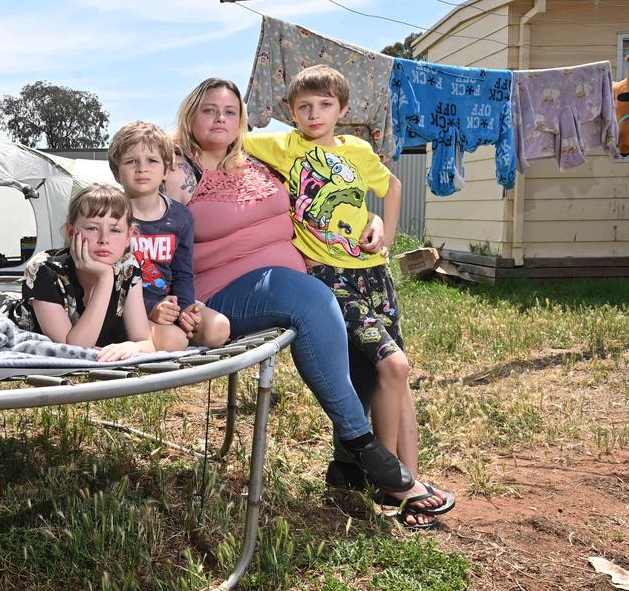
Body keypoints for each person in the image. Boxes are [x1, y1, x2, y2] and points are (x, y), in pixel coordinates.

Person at [163, 76, 443, 521]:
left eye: (230, 111)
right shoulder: (175, 171)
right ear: (189, 114)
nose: (220, 119)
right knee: (310, 300)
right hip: (222, 293)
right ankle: (362, 444)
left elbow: (324, 195)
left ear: (243, 122)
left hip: (327, 274)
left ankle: (351, 471)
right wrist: (162, 305)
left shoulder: (257, 160)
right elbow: (146, 230)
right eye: (209, 110)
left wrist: (370, 217)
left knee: (374, 358)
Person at [244, 65, 454, 529]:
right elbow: (231, 134)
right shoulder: (285, 146)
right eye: (303, 107)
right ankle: (389, 481)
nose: (313, 114)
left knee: (396, 378)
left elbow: (392, 187)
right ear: (290, 113)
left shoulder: (357, 151)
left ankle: (410, 486)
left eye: (324, 105)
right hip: (328, 276)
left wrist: (387, 234)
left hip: (374, 274)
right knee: (391, 365)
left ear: (342, 110)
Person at [107, 121, 231, 351]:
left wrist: (185, 309)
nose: (142, 168)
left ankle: (173, 328)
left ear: (166, 170)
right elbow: (104, 280)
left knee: (218, 328)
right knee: (175, 341)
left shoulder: (180, 217)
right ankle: (143, 337)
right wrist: (150, 309)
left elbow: (182, 273)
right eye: (131, 161)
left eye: (152, 161)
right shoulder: (109, 215)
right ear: (116, 172)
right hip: (122, 307)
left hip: (167, 303)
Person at [9, 183, 167, 361]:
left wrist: (132, 346)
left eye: (115, 230)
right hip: (5, 313)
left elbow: (145, 342)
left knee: (173, 338)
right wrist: (105, 278)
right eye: (92, 228)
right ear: (71, 231)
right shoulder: (43, 269)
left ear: (129, 236)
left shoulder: (127, 267)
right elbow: (72, 350)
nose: (104, 239)